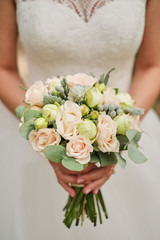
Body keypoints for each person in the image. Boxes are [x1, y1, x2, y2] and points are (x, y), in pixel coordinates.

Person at [0, 0, 160, 239]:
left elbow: (152, 65)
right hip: (32, 138)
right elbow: (3, 67)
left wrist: (114, 138)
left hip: (127, 126)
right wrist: (47, 141)